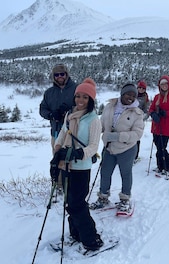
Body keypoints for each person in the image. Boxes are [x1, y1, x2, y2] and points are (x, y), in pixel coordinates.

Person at [52, 77, 103, 251]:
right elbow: (61, 134)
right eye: (78, 96)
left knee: (78, 204)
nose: (80, 100)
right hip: (65, 165)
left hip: (81, 168)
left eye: (85, 97)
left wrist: (78, 153)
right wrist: (57, 151)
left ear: (91, 100)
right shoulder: (69, 114)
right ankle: (76, 233)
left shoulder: (93, 120)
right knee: (69, 202)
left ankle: (91, 239)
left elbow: (94, 146)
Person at [90, 83, 144, 212]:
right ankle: (103, 197)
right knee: (105, 173)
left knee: (125, 174)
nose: (130, 97)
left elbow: (137, 134)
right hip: (109, 148)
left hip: (127, 149)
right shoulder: (110, 106)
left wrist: (119, 136)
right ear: (122, 94)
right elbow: (101, 124)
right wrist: (93, 133)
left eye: (133, 95)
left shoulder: (137, 113)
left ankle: (125, 199)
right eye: (127, 94)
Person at [40, 63, 77, 190]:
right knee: (57, 158)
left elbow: (87, 105)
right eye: (57, 75)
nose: (60, 77)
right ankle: (59, 184)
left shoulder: (76, 88)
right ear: (53, 76)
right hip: (56, 131)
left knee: (72, 158)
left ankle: (72, 184)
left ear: (67, 74)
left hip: (73, 132)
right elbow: (42, 109)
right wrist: (51, 115)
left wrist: (71, 110)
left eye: (62, 74)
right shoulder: (49, 93)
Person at [149, 76, 169, 174]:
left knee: (162, 147)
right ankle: (160, 166)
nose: (164, 86)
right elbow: (151, 108)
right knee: (158, 146)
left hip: (166, 126)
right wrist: (153, 114)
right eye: (162, 84)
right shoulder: (157, 97)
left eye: (166, 84)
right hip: (156, 125)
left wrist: (166, 113)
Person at [134, 80, 150, 163]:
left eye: (143, 88)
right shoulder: (133, 95)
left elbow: (147, 111)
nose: (141, 89)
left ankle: (135, 157)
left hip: (138, 122)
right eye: (139, 87)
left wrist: (141, 118)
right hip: (128, 120)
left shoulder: (145, 98)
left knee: (136, 139)